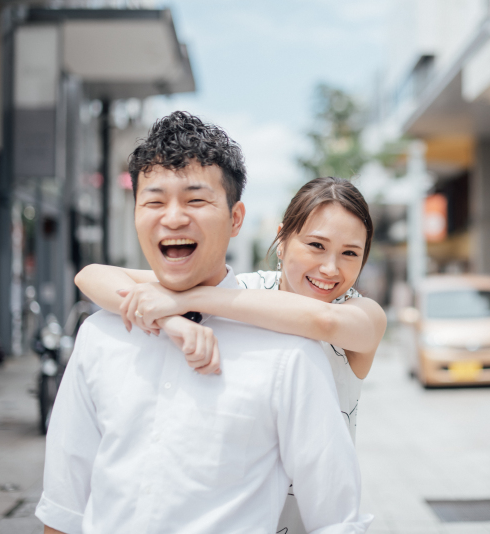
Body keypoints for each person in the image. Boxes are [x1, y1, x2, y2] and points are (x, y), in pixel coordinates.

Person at [35, 111, 371, 534]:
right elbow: (64, 504)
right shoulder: (100, 337)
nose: (173, 218)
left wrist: (183, 302)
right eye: (154, 201)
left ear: (236, 219)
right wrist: (174, 320)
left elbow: (338, 521)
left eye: (195, 200)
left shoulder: (296, 345)